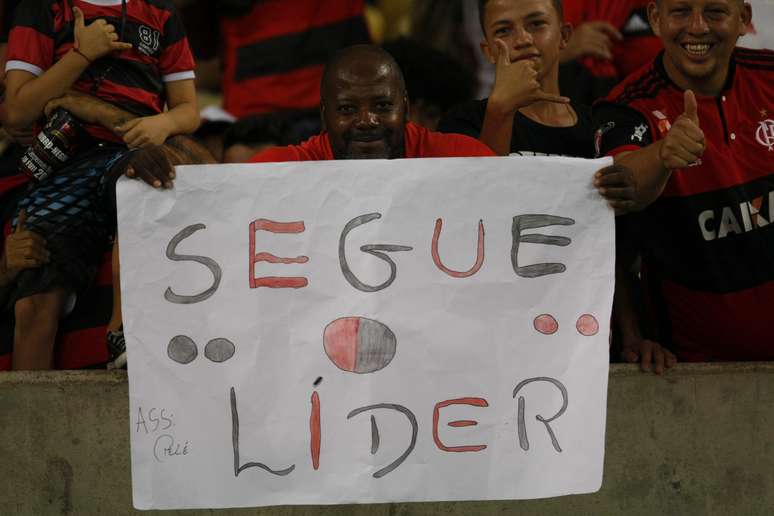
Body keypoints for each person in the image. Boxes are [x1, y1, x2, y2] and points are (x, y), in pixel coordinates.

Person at [3, 0, 199, 370]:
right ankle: (26, 422)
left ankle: (121, 334)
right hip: (64, 160)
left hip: (130, 151)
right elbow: (16, 111)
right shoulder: (40, 7)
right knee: (34, 304)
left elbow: (188, 109)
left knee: (142, 183)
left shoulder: (162, 11)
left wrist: (165, 124)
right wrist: (82, 53)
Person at [594, 0, 773, 368]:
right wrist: (662, 155)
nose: (697, 27)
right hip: (692, 378)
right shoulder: (626, 107)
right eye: (680, 11)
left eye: (714, 12)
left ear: (744, 19)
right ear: (655, 19)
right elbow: (623, 186)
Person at [250, 45, 497, 162]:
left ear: (406, 108)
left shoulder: (464, 159)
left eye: (382, 106)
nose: (367, 120)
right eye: (347, 109)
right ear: (324, 117)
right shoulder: (275, 172)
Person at [438, 0, 590, 158]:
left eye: (537, 24)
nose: (523, 40)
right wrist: (500, 112)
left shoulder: (600, 127)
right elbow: (481, 181)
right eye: (503, 30)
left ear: (564, 36)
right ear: (489, 51)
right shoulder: (462, 123)